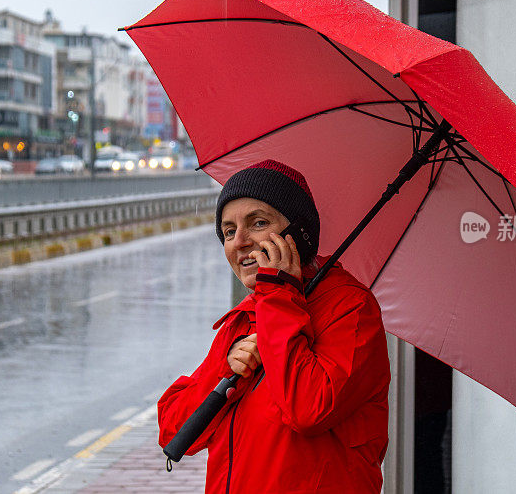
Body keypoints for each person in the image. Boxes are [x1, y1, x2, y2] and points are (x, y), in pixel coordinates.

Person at [157, 160, 391, 493]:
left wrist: (280, 296)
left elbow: (310, 410)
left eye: (258, 223)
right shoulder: (246, 317)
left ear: (298, 233)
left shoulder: (351, 308)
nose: (239, 241)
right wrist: (224, 368)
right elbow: (174, 431)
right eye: (227, 231)